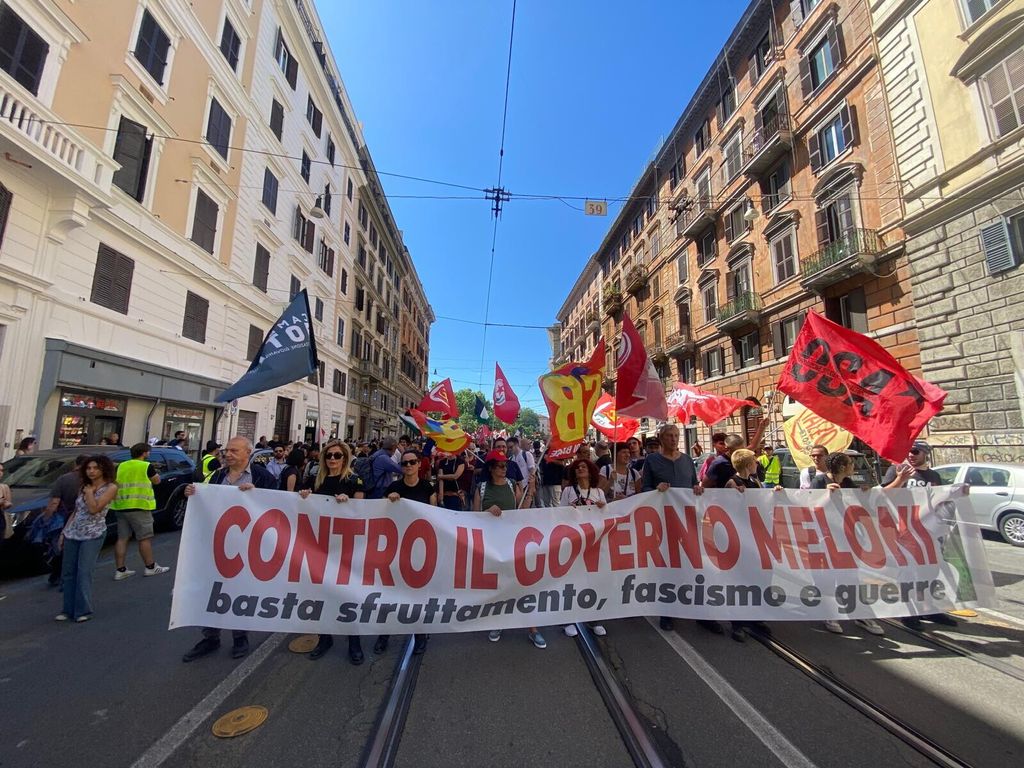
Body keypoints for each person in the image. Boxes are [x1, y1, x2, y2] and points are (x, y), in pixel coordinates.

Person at [182, 436, 277, 662]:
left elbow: (277, 506)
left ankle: (239, 636)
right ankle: (210, 636)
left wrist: (258, 495)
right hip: (216, 543)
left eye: (234, 450)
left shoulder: (262, 477)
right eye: (227, 450)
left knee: (238, 591)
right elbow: (205, 501)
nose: (228, 454)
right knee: (211, 590)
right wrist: (192, 494)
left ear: (248, 453)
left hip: (246, 546)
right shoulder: (217, 476)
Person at [642, 424, 718, 634]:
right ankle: (668, 612)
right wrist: (655, 489)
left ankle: (701, 614)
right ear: (661, 438)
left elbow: (695, 484)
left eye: (676, 435)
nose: (674, 439)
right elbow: (645, 488)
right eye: (669, 436)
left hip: (689, 521)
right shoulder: (651, 460)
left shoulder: (686, 460)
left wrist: (698, 488)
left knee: (696, 566)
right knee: (668, 567)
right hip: (664, 523)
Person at [297, 441, 366, 662]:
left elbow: (361, 511)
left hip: (346, 548)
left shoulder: (353, 480)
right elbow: (298, 505)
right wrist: (304, 496)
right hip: (320, 546)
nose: (333, 459)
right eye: (329, 456)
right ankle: (324, 638)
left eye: (337, 456)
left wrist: (349, 504)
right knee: (322, 595)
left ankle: (354, 641)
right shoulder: (314, 480)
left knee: (348, 594)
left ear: (344, 458)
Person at [881, 441, 957, 630]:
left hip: (930, 531)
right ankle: (908, 612)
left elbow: (939, 501)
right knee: (908, 572)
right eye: (908, 451)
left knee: (930, 570)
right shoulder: (896, 470)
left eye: (915, 451)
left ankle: (928, 608)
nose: (910, 455)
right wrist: (900, 479)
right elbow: (882, 495)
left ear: (925, 453)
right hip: (905, 530)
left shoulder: (933, 475)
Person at [474, 450, 546, 649]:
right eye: (500, 466)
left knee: (523, 583)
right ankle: (499, 622)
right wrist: (487, 513)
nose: (505, 469)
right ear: (491, 469)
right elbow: (472, 518)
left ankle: (533, 628)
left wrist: (531, 489)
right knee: (500, 585)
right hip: (492, 545)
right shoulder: (481, 488)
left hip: (513, 541)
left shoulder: (512, 485)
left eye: (506, 465)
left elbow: (523, 510)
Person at [811, 452, 886, 637]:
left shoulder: (849, 484)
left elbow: (861, 503)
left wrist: (866, 493)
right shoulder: (819, 482)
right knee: (828, 577)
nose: (854, 466)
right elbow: (809, 508)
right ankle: (829, 613)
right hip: (825, 539)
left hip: (847, 537)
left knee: (850, 577)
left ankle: (858, 614)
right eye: (851, 463)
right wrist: (828, 495)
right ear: (843, 467)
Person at [377, 449, 435, 656]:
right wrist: (389, 502)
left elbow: (435, 518)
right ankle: (384, 634)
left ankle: (419, 635)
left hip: (419, 549)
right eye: (404, 463)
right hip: (396, 547)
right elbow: (380, 515)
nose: (408, 466)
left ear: (419, 464)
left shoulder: (428, 488)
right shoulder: (393, 487)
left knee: (418, 594)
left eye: (412, 462)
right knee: (391, 592)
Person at [55, 456, 118, 622]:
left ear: (104, 469)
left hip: (93, 533)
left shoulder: (110, 488)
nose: (91, 471)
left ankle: (82, 610)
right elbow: (76, 511)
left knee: (84, 571)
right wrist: (64, 532)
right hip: (73, 532)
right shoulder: (83, 486)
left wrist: (90, 493)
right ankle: (67, 609)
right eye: (89, 468)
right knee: (68, 572)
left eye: (95, 468)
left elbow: (94, 509)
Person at [110, 443, 170, 580]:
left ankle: (120, 570)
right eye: (148, 452)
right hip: (139, 505)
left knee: (122, 538)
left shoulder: (121, 465)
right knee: (144, 538)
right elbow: (157, 481)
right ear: (145, 453)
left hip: (121, 505)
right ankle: (150, 567)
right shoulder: (146, 466)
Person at [44, 454, 88, 586]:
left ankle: (57, 575)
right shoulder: (88, 481)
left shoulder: (64, 479)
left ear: (76, 463)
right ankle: (71, 575)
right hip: (82, 517)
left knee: (60, 545)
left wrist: (47, 518)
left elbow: (54, 501)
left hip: (64, 516)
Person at [507, 437, 536, 503]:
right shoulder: (510, 459)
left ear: (517, 444)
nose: (510, 449)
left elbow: (532, 471)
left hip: (526, 487)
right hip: (516, 489)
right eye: (508, 448)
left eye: (511, 447)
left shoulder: (526, 454)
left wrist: (531, 487)